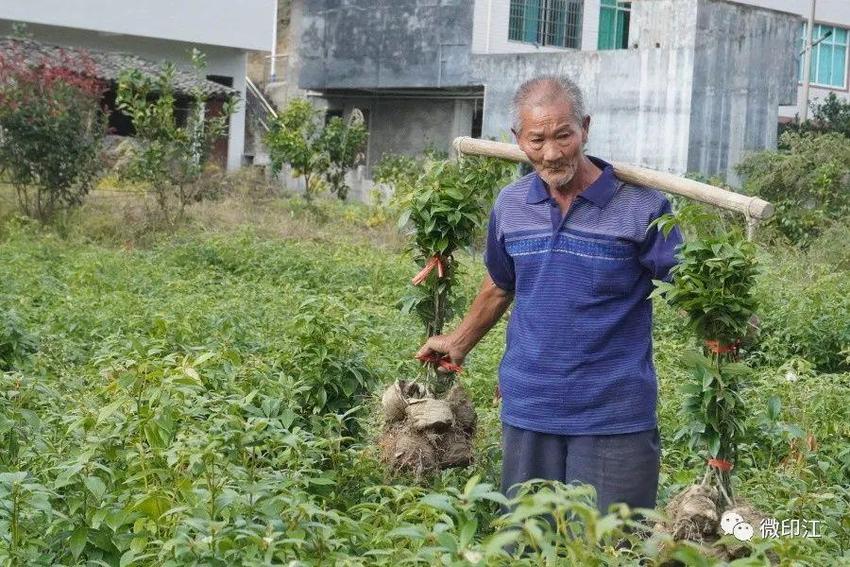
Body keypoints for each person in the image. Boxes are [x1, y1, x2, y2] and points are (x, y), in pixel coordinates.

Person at [416, 75, 683, 514]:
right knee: (525, 544)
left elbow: (686, 284)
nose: (552, 152)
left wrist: (721, 318)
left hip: (613, 416)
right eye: (537, 139)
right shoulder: (511, 204)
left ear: (585, 128)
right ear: (518, 140)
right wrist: (458, 342)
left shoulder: (643, 207)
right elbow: (502, 283)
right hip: (529, 410)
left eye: (564, 135)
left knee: (610, 548)